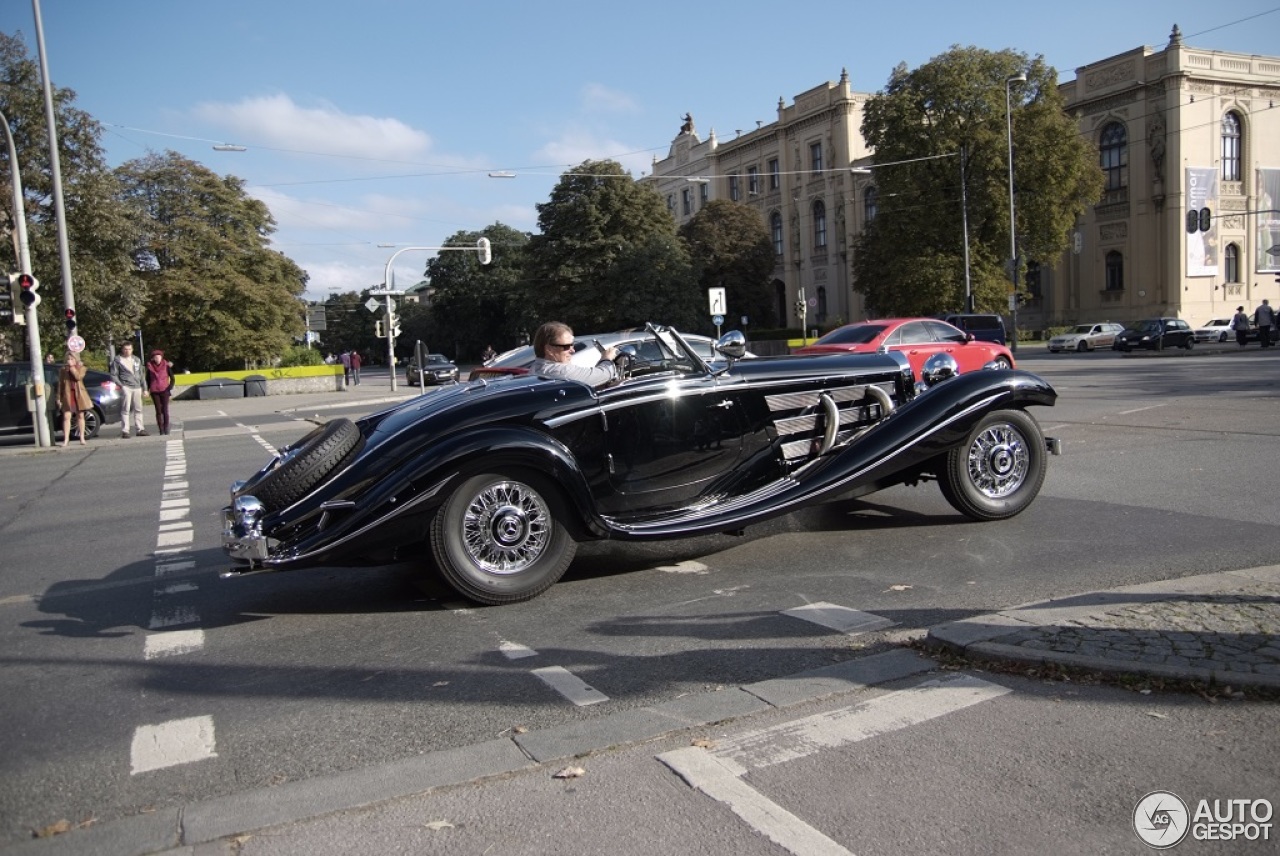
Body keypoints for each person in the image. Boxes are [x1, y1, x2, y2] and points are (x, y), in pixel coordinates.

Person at [527, 322, 620, 389]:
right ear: (549, 349)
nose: (573, 350)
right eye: (566, 346)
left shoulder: (536, 368)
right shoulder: (558, 371)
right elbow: (604, 374)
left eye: (572, 345)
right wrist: (606, 358)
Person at [55, 352, 92, 447]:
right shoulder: (63, 370)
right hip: (68, 395)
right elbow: (60, 384)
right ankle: (66, 439)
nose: (70, 361)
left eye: (72, 359)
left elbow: (78, 377)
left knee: (80, 416)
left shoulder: (82, 368)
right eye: (68, 359)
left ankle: (82, 438)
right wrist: (58, 397)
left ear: (76, 360)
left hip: (79, 394)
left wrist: (72, 368)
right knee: (67, 416)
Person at [111, 341, 147, 437]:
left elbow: (141, 375)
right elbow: (114, 375)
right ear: (122, 350)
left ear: (132, 350)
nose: (127, 351)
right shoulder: (118, 360)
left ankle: (140, 429)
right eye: (125, 349)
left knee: (138, 409)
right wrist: (121, 386)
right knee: (125, 409)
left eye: (129, 349)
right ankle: (125, 431)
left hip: (137, 387)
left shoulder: (136, 360)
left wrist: (145, 388)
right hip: (126, 386)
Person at [146, 348, 175, 435]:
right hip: (154, 391)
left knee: (165, 410)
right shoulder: (150, 367)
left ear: (162, 357)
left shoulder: (166, 366)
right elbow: (147, 379)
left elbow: (172, 378)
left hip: (165, 390)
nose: (157, 358)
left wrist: (169, 387)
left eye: (159, 356)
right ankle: (161, 429)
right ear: (153, 358)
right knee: (158, 411)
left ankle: (166, 427)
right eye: (155, 357)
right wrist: (146, 390)